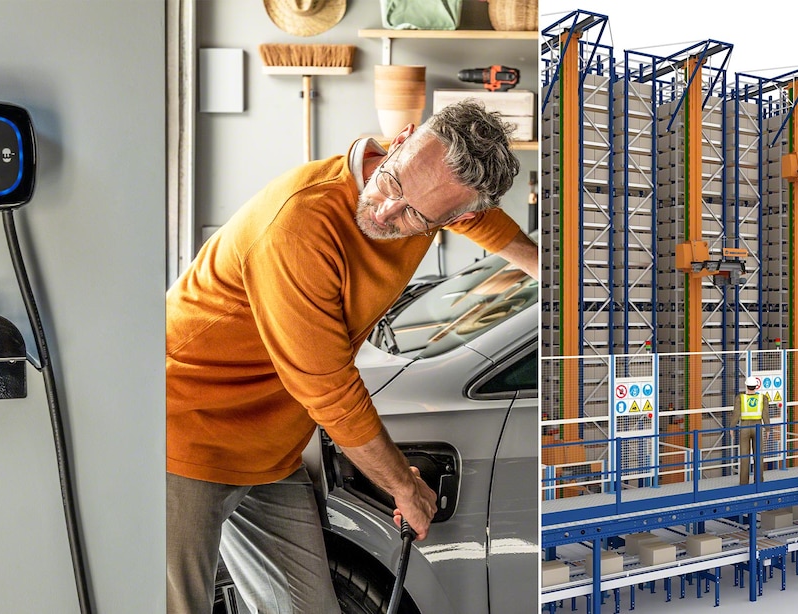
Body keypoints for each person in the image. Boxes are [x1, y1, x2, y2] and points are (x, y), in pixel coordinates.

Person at [166, 100, 539, 613]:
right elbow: (328, 387)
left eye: (414, 215)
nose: (385, 211)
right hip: (184, 431)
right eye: (393, 182)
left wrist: (548, 270)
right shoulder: (300, 224)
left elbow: (486, 224)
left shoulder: (435, 195)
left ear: (457, 215)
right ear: (401, 138)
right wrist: (402, 487)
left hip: (268, 450)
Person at [730, 375, 770, 485]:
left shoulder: (740, 398)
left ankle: (743, 483)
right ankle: (759, 481)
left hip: (744, 427)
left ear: (746, 386)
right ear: (756, 386)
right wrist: (767, 429)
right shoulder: (762, 398)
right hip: (758, 426)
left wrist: (732, 428)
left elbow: (736, 414)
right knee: (759, 455)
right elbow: (765, 415)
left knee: (744, 456)